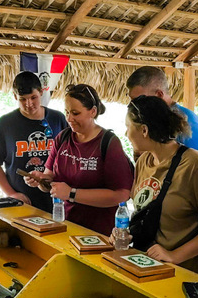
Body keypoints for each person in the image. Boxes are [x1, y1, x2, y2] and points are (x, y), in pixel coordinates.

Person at [114, 95, 198, 277]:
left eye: (128, 127)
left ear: (144, 130)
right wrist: (125, 233)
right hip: (147, 270)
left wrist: (174, 256)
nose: (126, 134)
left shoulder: (195, 165)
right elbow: (149, 212)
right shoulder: (144, 162)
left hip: (182, 276)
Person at [24, 84, 133, 235]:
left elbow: (121, 194)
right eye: (67, 112)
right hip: (65, 226)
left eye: (75, 113)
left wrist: (72, 193)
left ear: (93, 112)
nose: (69, 118)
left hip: (99, 233)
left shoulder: (108, 143)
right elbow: (50, 181)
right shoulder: (62, 138)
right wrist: (41, 180)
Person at [126, 66, 198, 187]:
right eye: (132, 102)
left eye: (139, 100)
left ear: (159, 94)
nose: (134, 107)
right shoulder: (156, 123)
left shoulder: (188, 124)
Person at [0, 71, 68, 213]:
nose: (29, 104)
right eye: (23, 99)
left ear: (41, 92)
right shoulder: (5, 124)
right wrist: (11, 194)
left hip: (56, 201)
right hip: (21, 202)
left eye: (33, 97)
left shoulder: (57, 119)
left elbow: (69, 156)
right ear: (15, 96)